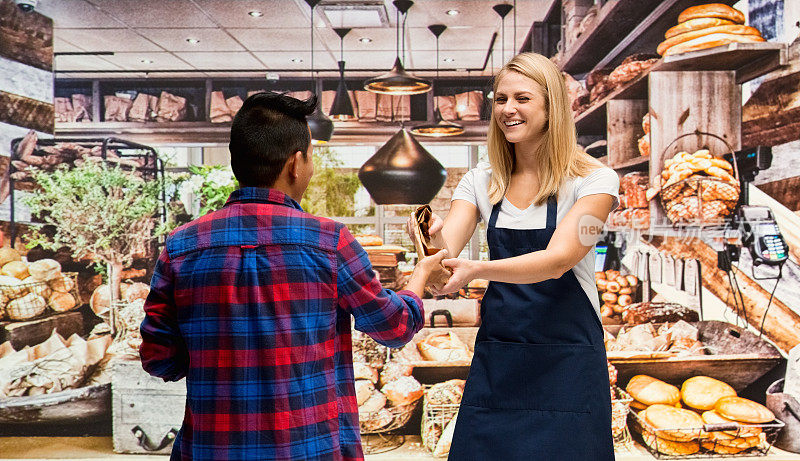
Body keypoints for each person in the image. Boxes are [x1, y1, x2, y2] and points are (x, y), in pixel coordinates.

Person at [139, 91, 446, 461]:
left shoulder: (181, 247)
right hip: (310, 449)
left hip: (211, 450)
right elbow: (394, 327)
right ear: (296, 164)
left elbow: (160, 360)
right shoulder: (330, 242)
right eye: (312, 156)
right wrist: (421, 275)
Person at [417, 53, 619, 460]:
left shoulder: (596, 181)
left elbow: (560, 259)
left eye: (522, 98)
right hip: (501, 360)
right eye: (501, 98)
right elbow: (445, 266)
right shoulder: (481, 180)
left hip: (570, 362)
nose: (507, 109)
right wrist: (431, 245)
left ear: (551, 108)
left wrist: (478, 268)